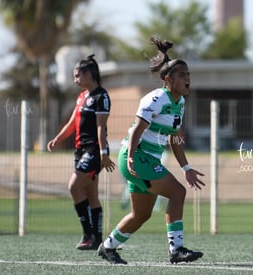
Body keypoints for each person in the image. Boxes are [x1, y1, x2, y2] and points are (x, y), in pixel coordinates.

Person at [97, 36, 205, 264]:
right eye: (182, 75)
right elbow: (137, 130)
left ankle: (108, 246)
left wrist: (186, 167)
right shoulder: (155, 99)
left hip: (144, 159)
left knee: (141, 214)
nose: (187, 79)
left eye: (188, 75)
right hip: (137, 157)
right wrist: (130, 159)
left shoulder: (180, 103)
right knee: (177, 193)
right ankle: (176, 250)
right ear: (168, 79)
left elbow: (175, 138)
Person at [47, 54, 115, 250]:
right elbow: (72, 123)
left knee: (74, 186)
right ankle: (96, 240)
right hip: (80, 150)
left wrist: (103, 153)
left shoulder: (101, 96)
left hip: (94, 151)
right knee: (90, 193)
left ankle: (88, 235)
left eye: (77, 75)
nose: (75, 80)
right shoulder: (82, 96)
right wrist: (58, 138)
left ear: (88, 74)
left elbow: (101, 127)